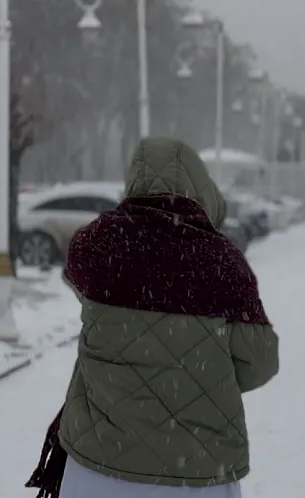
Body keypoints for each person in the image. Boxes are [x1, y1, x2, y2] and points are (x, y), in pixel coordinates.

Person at [26, 137, 280, 498]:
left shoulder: (96, 245)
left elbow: (84, 290)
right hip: (197, 471)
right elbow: (259, 363)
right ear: (197, 186)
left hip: (97, 466)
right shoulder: (223, 261)